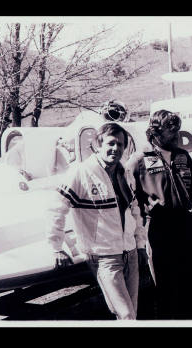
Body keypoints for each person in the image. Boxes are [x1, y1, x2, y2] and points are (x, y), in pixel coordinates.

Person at [45, 122, 147, 320]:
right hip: (104, 257)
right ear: (98, 145)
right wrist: (55, 246)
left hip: (130, 251)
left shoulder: (124, 173)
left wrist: (140, 244)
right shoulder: (81, 172)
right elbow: (55, 209)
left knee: (131, 313)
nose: (116, 149)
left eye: (120, 144)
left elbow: (135, 211)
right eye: (110, 143)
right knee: (126, 314)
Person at [125, 109, 192, 319]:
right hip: (160, 231)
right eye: (172, 132)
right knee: (166, 284)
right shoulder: (139, 160)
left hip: (188, 227)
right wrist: (147, 211)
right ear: (155, 133)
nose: (177, 136)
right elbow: (128, 198)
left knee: (191, 280)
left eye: (177, 131)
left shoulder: (183, 155)